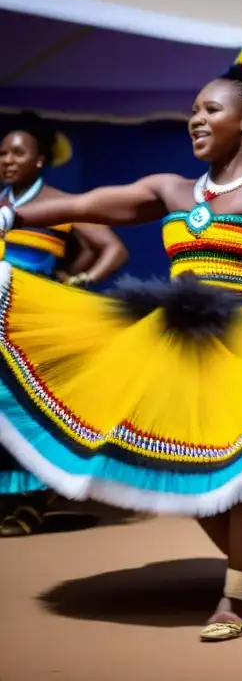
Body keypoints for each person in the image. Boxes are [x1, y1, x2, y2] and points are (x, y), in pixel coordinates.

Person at [0, 46, 242, 640]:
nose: (197, 119)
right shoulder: (172, 188)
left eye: (211, 109)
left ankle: (237, 596)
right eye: (193, 110)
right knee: (178, 467)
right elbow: (80, 206)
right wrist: (12, 218)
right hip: (173, 341)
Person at [0, 116, 128, 536]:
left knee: (26, 411)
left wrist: (77, 282)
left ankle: (31, 501)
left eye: (18, 152)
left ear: (39, 161)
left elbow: (112, 248)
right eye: (2, 152)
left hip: (34, 323)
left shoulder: (55, 203)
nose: (7, 160)